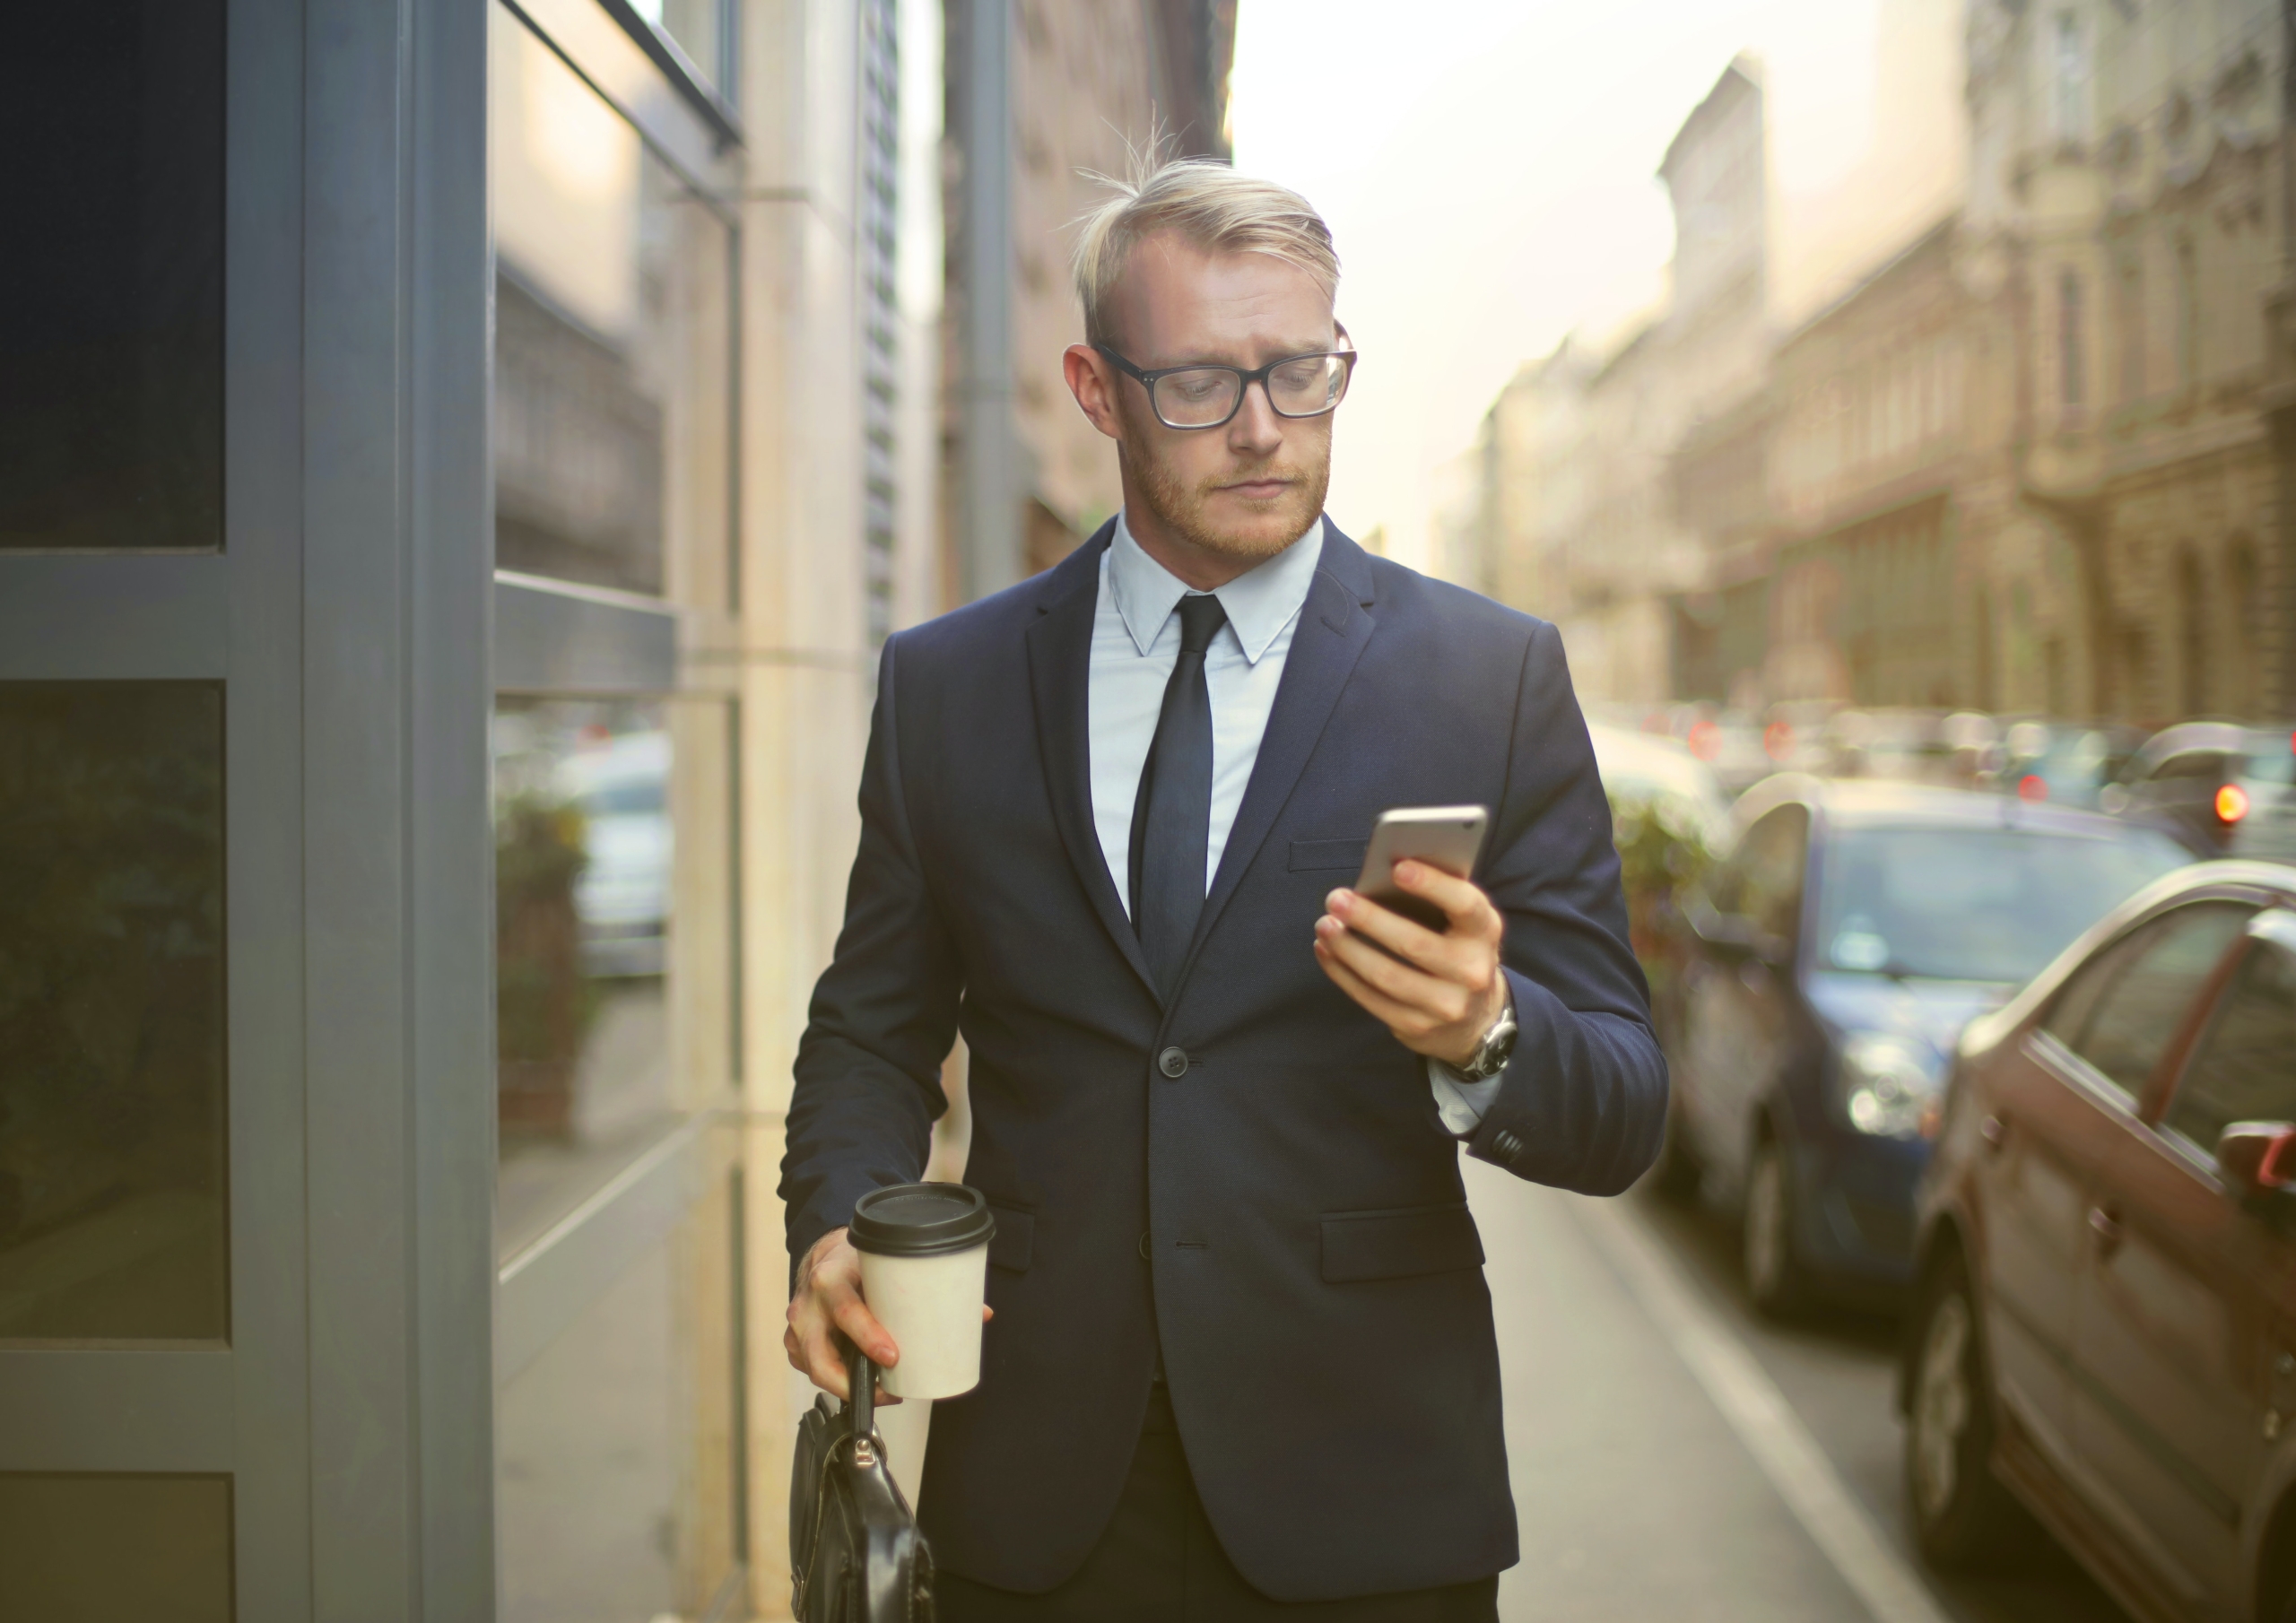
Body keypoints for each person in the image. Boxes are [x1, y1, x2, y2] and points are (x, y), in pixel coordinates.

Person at [780, 156, 1666, 1620]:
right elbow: (871, 1030)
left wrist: (1487, 1035)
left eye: (1302, 373)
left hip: (1373, 1503)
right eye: (1199, 382)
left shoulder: (1490, 678)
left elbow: (1624, 1104)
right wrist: (831, 1222)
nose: (1264, 429)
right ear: (1094, 384)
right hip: (1036, 1503)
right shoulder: (947, 686)